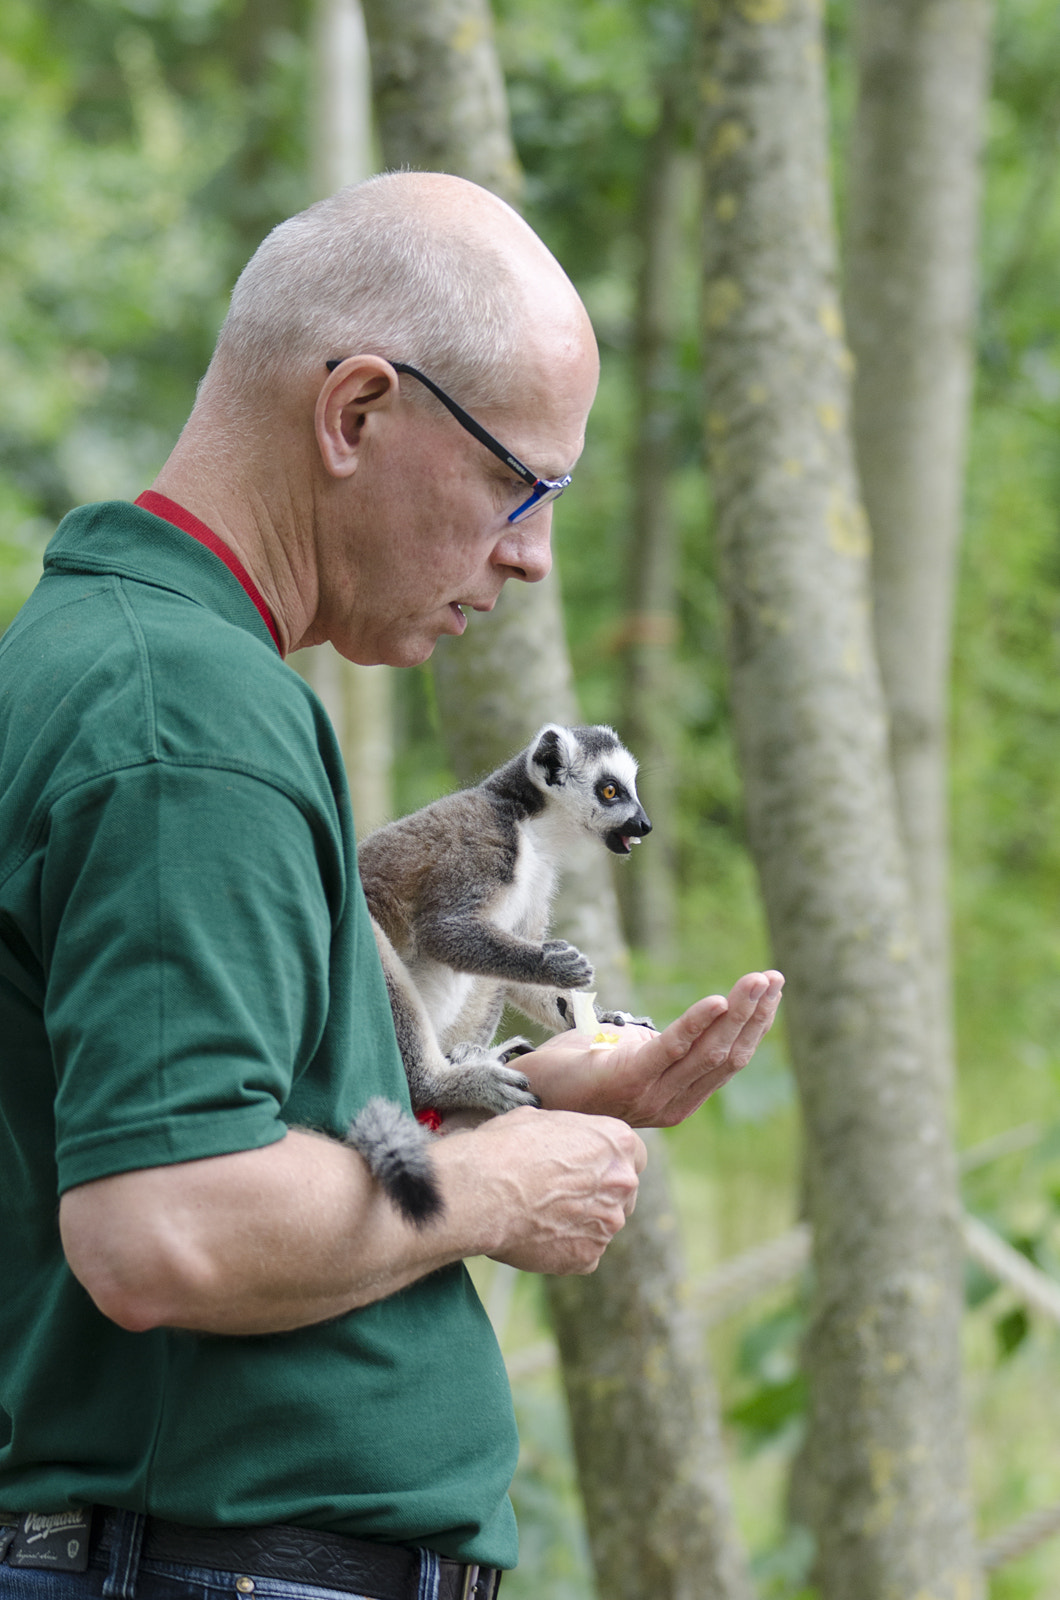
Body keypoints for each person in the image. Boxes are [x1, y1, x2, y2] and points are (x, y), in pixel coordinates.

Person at [0, 172, 783, 1600]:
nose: (533, 553)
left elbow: (238, 1122)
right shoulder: (187, 721)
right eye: (518, 483)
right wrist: (493, 1189)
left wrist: (530, 1094)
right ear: (357, 412)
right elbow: (158, 1226)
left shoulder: (118, 660)